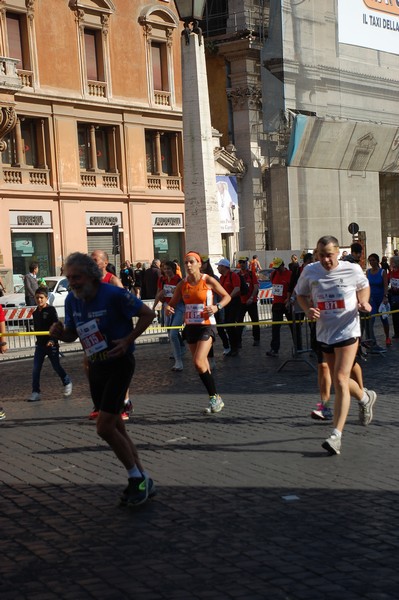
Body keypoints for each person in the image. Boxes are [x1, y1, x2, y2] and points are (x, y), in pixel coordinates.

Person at [50, 252, 156, 509]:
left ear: (91, 275)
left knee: (104, 427)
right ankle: (143, 477)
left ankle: (135, 477)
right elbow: (72, 335)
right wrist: (59, 333)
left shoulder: (114, 294)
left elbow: (147, 315)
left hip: (120, 364)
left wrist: (128, 340)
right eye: (68, 278)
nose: (71, 282)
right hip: (96, 367)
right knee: (116, 425)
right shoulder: (74, 301)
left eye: (76, 277)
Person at [296, 235, 376, 456]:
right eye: (321, 255)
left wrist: (364, 301)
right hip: (324, 332)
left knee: (340, 378)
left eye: (329, 255)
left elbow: (364, 286)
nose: (325, 260)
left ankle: (336, 436)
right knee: (336, 376)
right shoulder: (310, 271)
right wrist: (307, 310)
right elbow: (300, 294)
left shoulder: (351, 269)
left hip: (348, 328)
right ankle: (365, 397)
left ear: (338, 252)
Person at [165, 251, 231, 414]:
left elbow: (226, 296)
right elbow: (172, 303)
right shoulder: (182, 284)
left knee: (198, 361)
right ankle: (215, 398)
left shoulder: (207, 280)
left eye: (192, 262)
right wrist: (168, 308)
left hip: (206, 325)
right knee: (202, 365)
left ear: (199, 264)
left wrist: (217, 307)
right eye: (186, 262)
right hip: (190, 327)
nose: (188, 265)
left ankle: (215, 397)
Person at [90, 249, 132, 421]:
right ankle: (99, 404)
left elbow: (127, 304)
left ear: (105, 263)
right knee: (90, 365)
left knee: (118, 368)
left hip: (115, 331)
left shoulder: (113, 281)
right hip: (96, 332)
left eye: (94, 260)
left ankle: (124, 402)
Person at [29, 287, 72, 402]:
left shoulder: (51, 310)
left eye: (41, 298)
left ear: (46, 298)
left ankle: (67, 382)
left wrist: (53, 340)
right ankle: (35, 392)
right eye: (37, 298)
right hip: (40, 345)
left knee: (56, 366)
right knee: (36, 369)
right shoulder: (35, 313)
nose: (39, 300)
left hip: (51, 344)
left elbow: (56, 325)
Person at [152, 261, 185, 372]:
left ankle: (178, 361)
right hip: (166, 307)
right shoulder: (161, 280)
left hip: (178, 307)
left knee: (173, 333)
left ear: (174, 269)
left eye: (169, 269)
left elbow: (184, 297)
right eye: (165, 269)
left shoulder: (180, 280)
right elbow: (158, 294)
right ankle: (180, 349)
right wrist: (153, 308)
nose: (167, 271)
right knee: (170, 332)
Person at [266, 258, 292, 357]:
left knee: (294, 327)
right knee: (275, 328)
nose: (277, 270)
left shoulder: (290, 274)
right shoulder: (274, 274)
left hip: (288, 303)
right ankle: (274, 349)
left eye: (278, 268)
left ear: (282, 265)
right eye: (275, 268)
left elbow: (294, 288)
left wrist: (289, 299)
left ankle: (298, 348)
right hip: (277, 304)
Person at [216, 258, 241, 356]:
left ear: (223, 267)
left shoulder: (233, 275)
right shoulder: (222, 277)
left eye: (219, 266)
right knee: (227, 325)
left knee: (230, 325)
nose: (217, 268)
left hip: (234, 302)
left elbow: (237, 288)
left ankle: (235, 347)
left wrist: (228, 297)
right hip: (226, 303)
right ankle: (233, 347)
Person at [366, 253, 390, 348]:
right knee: (371, 320)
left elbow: (385, 285)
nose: (372, 262)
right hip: (371, 298)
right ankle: (371, 339)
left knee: (384, 319)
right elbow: (366, 286)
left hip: (381, 298)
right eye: (370, 260)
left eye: (373, 260)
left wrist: (385, 296)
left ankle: (387, 337)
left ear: (377, 261)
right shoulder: (368, 272)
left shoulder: (382, 271)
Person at [236, 258, 260, 347]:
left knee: (255, 321)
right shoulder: (237, 275)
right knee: (239, 322)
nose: (242, 264)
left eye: (244, 262)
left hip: (251, 301)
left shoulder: (251, 273)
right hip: (241, 302)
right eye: (240, 262)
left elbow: (256, 286)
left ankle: (256, 339)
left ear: (247, 263)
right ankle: (238, 341)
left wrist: (251, 298)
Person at [388, 255, 399, 338]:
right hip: (394, 295)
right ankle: (396, 332)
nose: (390, 264)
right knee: (394, 315)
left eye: (392, 262)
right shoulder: (391, 272)